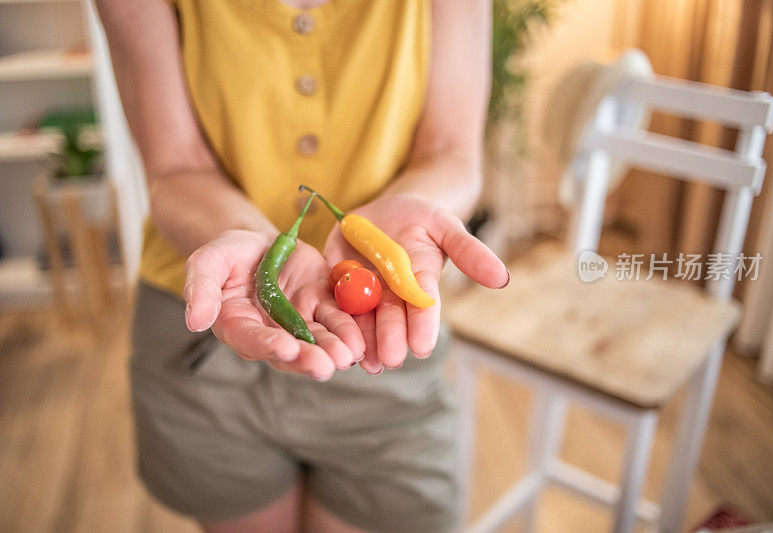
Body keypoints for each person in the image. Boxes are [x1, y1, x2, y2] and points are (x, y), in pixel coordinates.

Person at [95, 0, 509, 531]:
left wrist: (411, 209)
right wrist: (251, 236)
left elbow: (452, 151)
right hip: (205, 338)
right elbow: (174, 166)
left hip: (384, 343)